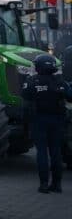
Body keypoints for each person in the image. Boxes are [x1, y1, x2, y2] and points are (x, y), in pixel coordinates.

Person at [22, 54, 72, 193]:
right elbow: (70, 96)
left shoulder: (31, 81)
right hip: (57, 121)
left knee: (42, 153)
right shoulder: (61, 82)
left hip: (39, 121)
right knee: (56, 152)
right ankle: (57, 184)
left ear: (38, 66)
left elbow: (25, 103)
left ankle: (44, 184)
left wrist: (26, 121)